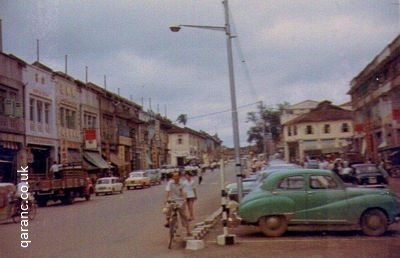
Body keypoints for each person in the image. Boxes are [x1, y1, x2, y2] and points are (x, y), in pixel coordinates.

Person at [164, 172, 191, 236]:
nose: (175, 177)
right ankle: (168, 221)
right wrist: (166, 199)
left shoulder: (182, 184)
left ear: (179, 177)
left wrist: (185, 199)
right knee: (167, 209)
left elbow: (184, 192)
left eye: (177, 176)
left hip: (181, 201)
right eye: (174, 176)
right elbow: (167, 191)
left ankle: (188, 230)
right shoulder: (170, 183)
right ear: (172, 177)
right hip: (173, 200)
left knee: (183, 215)